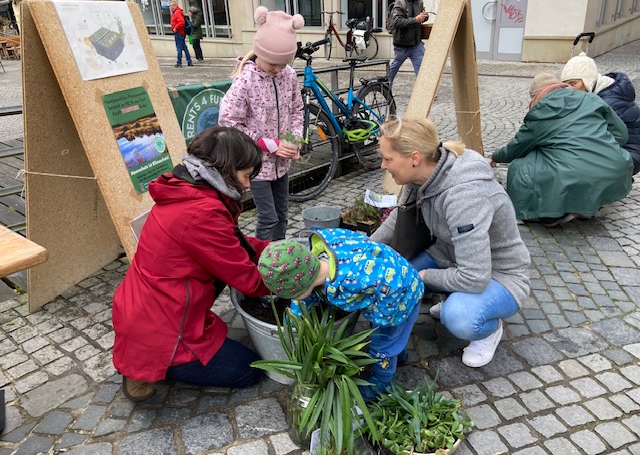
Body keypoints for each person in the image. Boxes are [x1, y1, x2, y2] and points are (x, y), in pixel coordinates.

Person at [112, 126, 271, 402]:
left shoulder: (191, 191)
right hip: (163, 327)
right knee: (249, 371)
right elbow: (250, 281)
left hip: (150, 308)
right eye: (245, 176)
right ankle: (152, 369)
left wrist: (276, 250)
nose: (247, 186)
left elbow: (235, 244)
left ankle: (146, 360)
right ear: (225, 170)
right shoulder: (201, 213)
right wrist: (301, 276)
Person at [371, 117, 531, 368]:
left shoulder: (464, 195)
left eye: (388, 159)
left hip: (499, 274)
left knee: (457, 316)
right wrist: (366, 249)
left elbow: (475, 277)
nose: (382, 165)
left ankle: (487, 330)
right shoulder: (422, 174)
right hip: (449, 255)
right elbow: (399, 218)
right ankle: (449, 294)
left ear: (414, 158)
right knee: (394, 278)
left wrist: (423, 276)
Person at [257, 228, 424, 400]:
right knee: (392, 338)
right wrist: (293, 320)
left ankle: (383, 382)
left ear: (302, 286)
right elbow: (303, 298)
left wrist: (381, 317)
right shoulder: (319, 258)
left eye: (291, 295)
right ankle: (398, 350)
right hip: (388, 284)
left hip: (402, 295)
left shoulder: (352, 276)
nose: (291, 298)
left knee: (382, 342)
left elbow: (393, 286)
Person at [491, 73, 633, 226]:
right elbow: (621, 135)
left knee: (521, 165)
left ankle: (549, 214)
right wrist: (601, 143)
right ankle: (586, 207)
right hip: (614, 168)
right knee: (572, 164)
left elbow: (517, 148)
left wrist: (496, 157)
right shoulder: (591, 98)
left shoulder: (541, 111)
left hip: (574, 173)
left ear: (536, 95)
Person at [219, 6, 304, 241]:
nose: (277, 70)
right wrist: (268, 144)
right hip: (255, 166)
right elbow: (229, 124)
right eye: (272, 64)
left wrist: (293, 142)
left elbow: (297, 111)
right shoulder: (244, 80)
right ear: (259, 53)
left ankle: (280, 261)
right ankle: (264, 265)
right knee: (268, 218)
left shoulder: (289, 75)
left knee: (283, 215)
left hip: (282, 164)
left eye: (282, 64)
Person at [561, 52, 640, 175]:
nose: (569, 89)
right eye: (565, 85)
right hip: (615, 150)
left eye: (573, 83)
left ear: (588, 81)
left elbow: (599, 140)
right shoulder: (597, 94)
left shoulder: (608, 102)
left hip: (629, 155)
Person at [388, 0, 428, 87]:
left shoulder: (419, 1)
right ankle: (385, 88)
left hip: (416, 45)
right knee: (393, 69)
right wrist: (416, 19)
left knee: (422, 70)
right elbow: (396, 22)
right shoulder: (400, 2)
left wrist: (425, 16)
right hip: (402, 45)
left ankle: (424, 91)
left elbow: (421, 16)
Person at [169, 0, 193, 68]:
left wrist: (175, 28)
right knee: (184, 47)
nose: (171, 7)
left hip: (179, 32)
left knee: (179, 48)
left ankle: (179, 62)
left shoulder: (177, 12)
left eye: (173, 5)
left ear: (176, 5)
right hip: (179, 32)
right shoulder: (175, 13)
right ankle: (189, 61)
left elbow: (181, 22)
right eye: (170, 6)